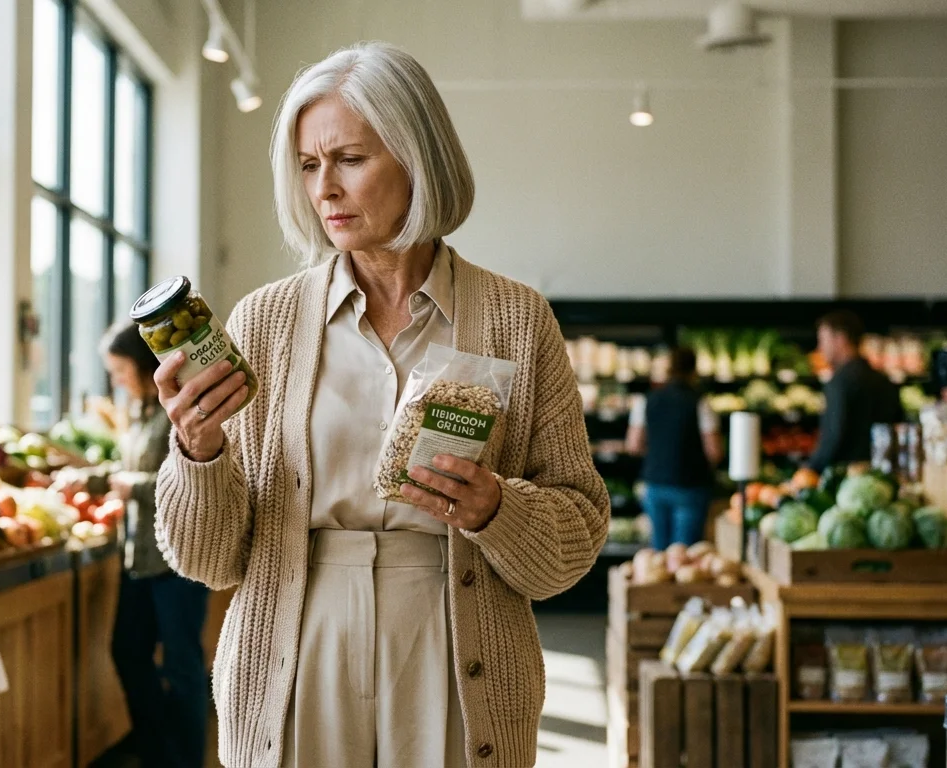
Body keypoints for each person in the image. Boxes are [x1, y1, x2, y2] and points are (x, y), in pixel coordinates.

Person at [151, 42, 610, 768]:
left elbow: (578, 532)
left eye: (350, 159)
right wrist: (199, 453)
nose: (325, 188)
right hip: (297, 643)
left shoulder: (517, 320)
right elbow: (209, 560)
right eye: (309, 165)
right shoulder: (264, 323)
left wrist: (495, 507)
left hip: (457, 641)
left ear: (417, 158)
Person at [99, 323, 209, 768]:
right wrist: (90, 478)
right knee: (128, 652)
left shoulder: (176, 410)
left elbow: (183, 478)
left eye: (120, 370)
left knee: (182, 667)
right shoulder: (142, 412)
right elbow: (130, 468)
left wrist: (133, 487)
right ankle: (158, 752)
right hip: (140, 558)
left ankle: (184, 760)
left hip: (176, 560)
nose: (116, 381)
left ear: (144, 366)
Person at [625, 347, 722, 549]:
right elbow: (714, 451)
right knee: (686, 555)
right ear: (694, 371)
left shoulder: (646, 400)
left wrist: (659, 453)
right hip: (691, 485)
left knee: (659, 554)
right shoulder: (700, 402)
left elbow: (633, 445)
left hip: (654, 484)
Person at [807, 310, 904, 472]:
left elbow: (834, 435)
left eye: (823, 340)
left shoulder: (839, 383)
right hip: (881, 472)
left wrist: (811, 469)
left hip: (844, 475)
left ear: (840, 340)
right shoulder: (883, 381)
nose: (819, 348)